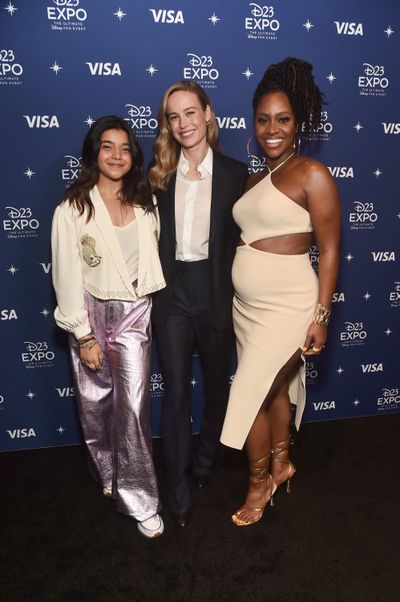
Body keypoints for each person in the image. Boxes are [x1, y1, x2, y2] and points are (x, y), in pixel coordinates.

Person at [220, 57, 341, 526]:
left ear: (298, 123)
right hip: (245, 309)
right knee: (273, 393)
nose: (273, 129)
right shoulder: (253, 179)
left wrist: (321, 316)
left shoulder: (313, 174)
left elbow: (329, 251)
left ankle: (259, 484)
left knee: (250, 393)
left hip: (290, 306)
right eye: (264, 119)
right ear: (254, 122)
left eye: (283, 119)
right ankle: (282, 464)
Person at [51, 116, 166, 538]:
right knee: (94, 401)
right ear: (94, 153)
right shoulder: (72, 208)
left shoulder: (144, 200)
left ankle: (139, 498)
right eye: (107, 146)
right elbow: (65, 273)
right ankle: (107, 472)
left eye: (124, 147)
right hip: (91, 310)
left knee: (133, 407)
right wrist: (82, 334)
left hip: (135, 311)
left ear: (133, 154)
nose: (117, 155)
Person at [148, 81, 248, 527]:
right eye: (174, 116)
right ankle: (179, 487)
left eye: (191, 113)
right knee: (174, 394)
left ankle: (206, 458)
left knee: (216, 387)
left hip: (215, 291)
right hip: (172, 293)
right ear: (167, 125)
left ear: (208, 113)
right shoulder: (159, 176)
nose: (184, 123)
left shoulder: (234, 172)